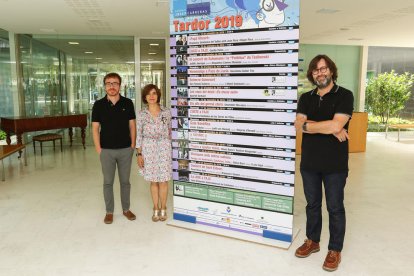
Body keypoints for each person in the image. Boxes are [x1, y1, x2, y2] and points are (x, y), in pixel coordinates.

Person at [294, 55, 354, 272]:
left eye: (324, 69)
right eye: (316, 70)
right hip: (309, 162)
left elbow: (336, 126)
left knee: (335, 208)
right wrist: (328, 126)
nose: (320, 73)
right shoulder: (305, 97)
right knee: (312, 205)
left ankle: (334, 250)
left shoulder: (344, 95)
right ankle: (313, 241)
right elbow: (298, 124)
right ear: (312, 74)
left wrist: (311, 125)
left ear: (331, 71)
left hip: (335, 164)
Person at [92, 72, 137, 224]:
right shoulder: (98, 105)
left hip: (125, 150)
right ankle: (109, 211)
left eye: (115, 83)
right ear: (105, 86)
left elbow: (132, 125)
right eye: (109, 83)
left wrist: (132, 145)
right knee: (108, 182)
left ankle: (126, 209)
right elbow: (95, 128)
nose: (112, 86)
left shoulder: (128, 103)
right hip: (107, 151)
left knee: (125, 182)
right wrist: (99, 149)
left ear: (120, 85)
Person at [136, 84, 172, 222]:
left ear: (158, 95)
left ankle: (163, 208)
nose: (151, 96)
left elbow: (170, 132)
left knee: (163, 180)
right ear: (145, 97)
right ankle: (155, 208)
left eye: (154, 93)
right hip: (148, 148)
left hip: (164, 148)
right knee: (154, 181)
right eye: (148, 94)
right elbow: (139, 134)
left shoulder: (166, 112)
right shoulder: (141, 114)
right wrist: (139, 154)